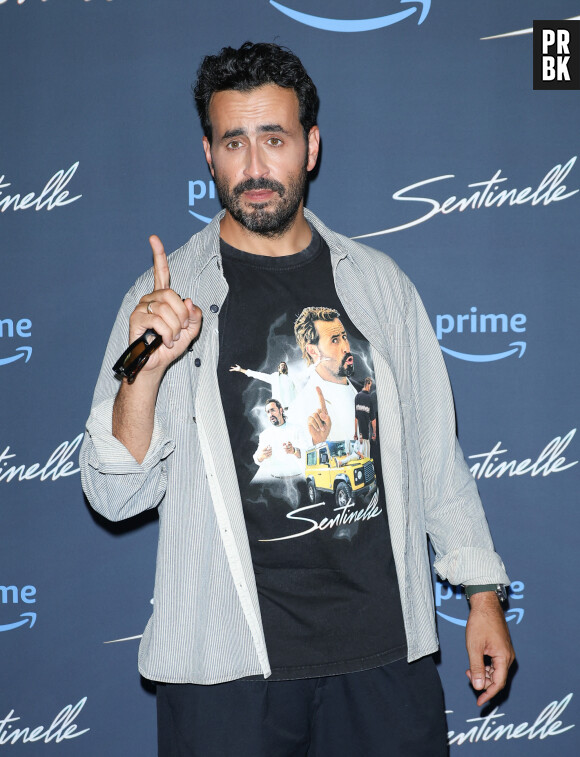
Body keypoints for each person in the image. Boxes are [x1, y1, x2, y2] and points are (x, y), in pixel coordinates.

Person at [80, 41, 514, 757]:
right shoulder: (162, 299)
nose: (254, 167)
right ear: (208, 154)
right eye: (234, 142)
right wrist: (146, 370)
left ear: (310, 147)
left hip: (383, 661)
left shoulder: (381, 287)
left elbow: (439, 458)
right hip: (226, 673)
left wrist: (483, 595)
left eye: (274, 139)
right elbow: (114, 495)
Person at [290, 306, 358, 446]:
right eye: (334, 340)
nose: (345, 347)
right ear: (313, 350)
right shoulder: (302, 408)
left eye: (344, 337)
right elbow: (298, 463)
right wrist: (317, 442)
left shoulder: (362, 390)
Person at [252, 397, 303, 480]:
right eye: (268, 412)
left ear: (281, 410)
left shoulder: (297, 429)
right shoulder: (264, 435)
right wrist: (262, 456)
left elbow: (307, 453)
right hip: (275, 481)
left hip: (297, 478)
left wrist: (294, 450)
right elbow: (256, 458)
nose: (270, 414)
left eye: (273, 410)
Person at [230, 360, 297, 408]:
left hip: (292, 407)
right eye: (281, 365)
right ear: (278, 369)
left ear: (287, 369)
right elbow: (259, 375)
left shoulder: (291, 379)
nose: (283, 366)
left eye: (285, 366)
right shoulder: (274, 378)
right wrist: (241, 370)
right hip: (280, 408)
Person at [354, 377, 377, 458]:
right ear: (368, 384)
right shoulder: (369, 398)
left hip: (359, 437)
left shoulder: (357, 397)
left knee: (360, 458)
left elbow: (356, 418)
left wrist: (355, 433)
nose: (370, 388)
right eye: (370, 386)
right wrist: (374, 433)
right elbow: (373, 420)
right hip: (366, 437)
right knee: (367, 459)